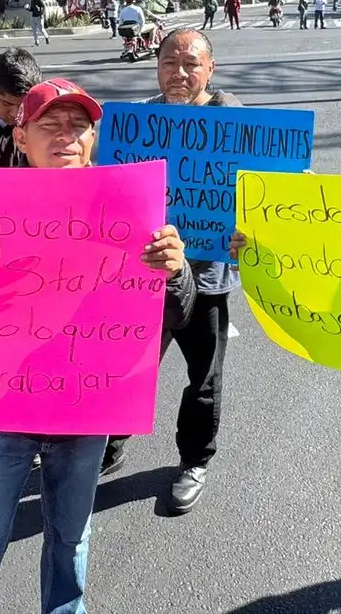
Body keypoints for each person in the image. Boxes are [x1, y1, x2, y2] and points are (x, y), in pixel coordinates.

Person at [0, 77, 195, 614]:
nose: (66, 136)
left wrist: (175, 272)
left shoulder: (129, 207)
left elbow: (175, 312)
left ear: (93, 139)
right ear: (21, 135)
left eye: (79, 126)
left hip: (84, 412)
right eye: (49, 126)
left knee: (70, 546)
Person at [102, 27, 240, 517]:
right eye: (169, 63)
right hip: (144, 277)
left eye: (191, 64)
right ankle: (110, 445)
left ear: (210, 69)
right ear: (154, 65)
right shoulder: (135, 125)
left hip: (206, 280)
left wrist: (281, 206)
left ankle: (194, 461)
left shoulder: (238, 126)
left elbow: (272, 200)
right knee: (125, 368)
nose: (179, 73)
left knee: (203, 378)